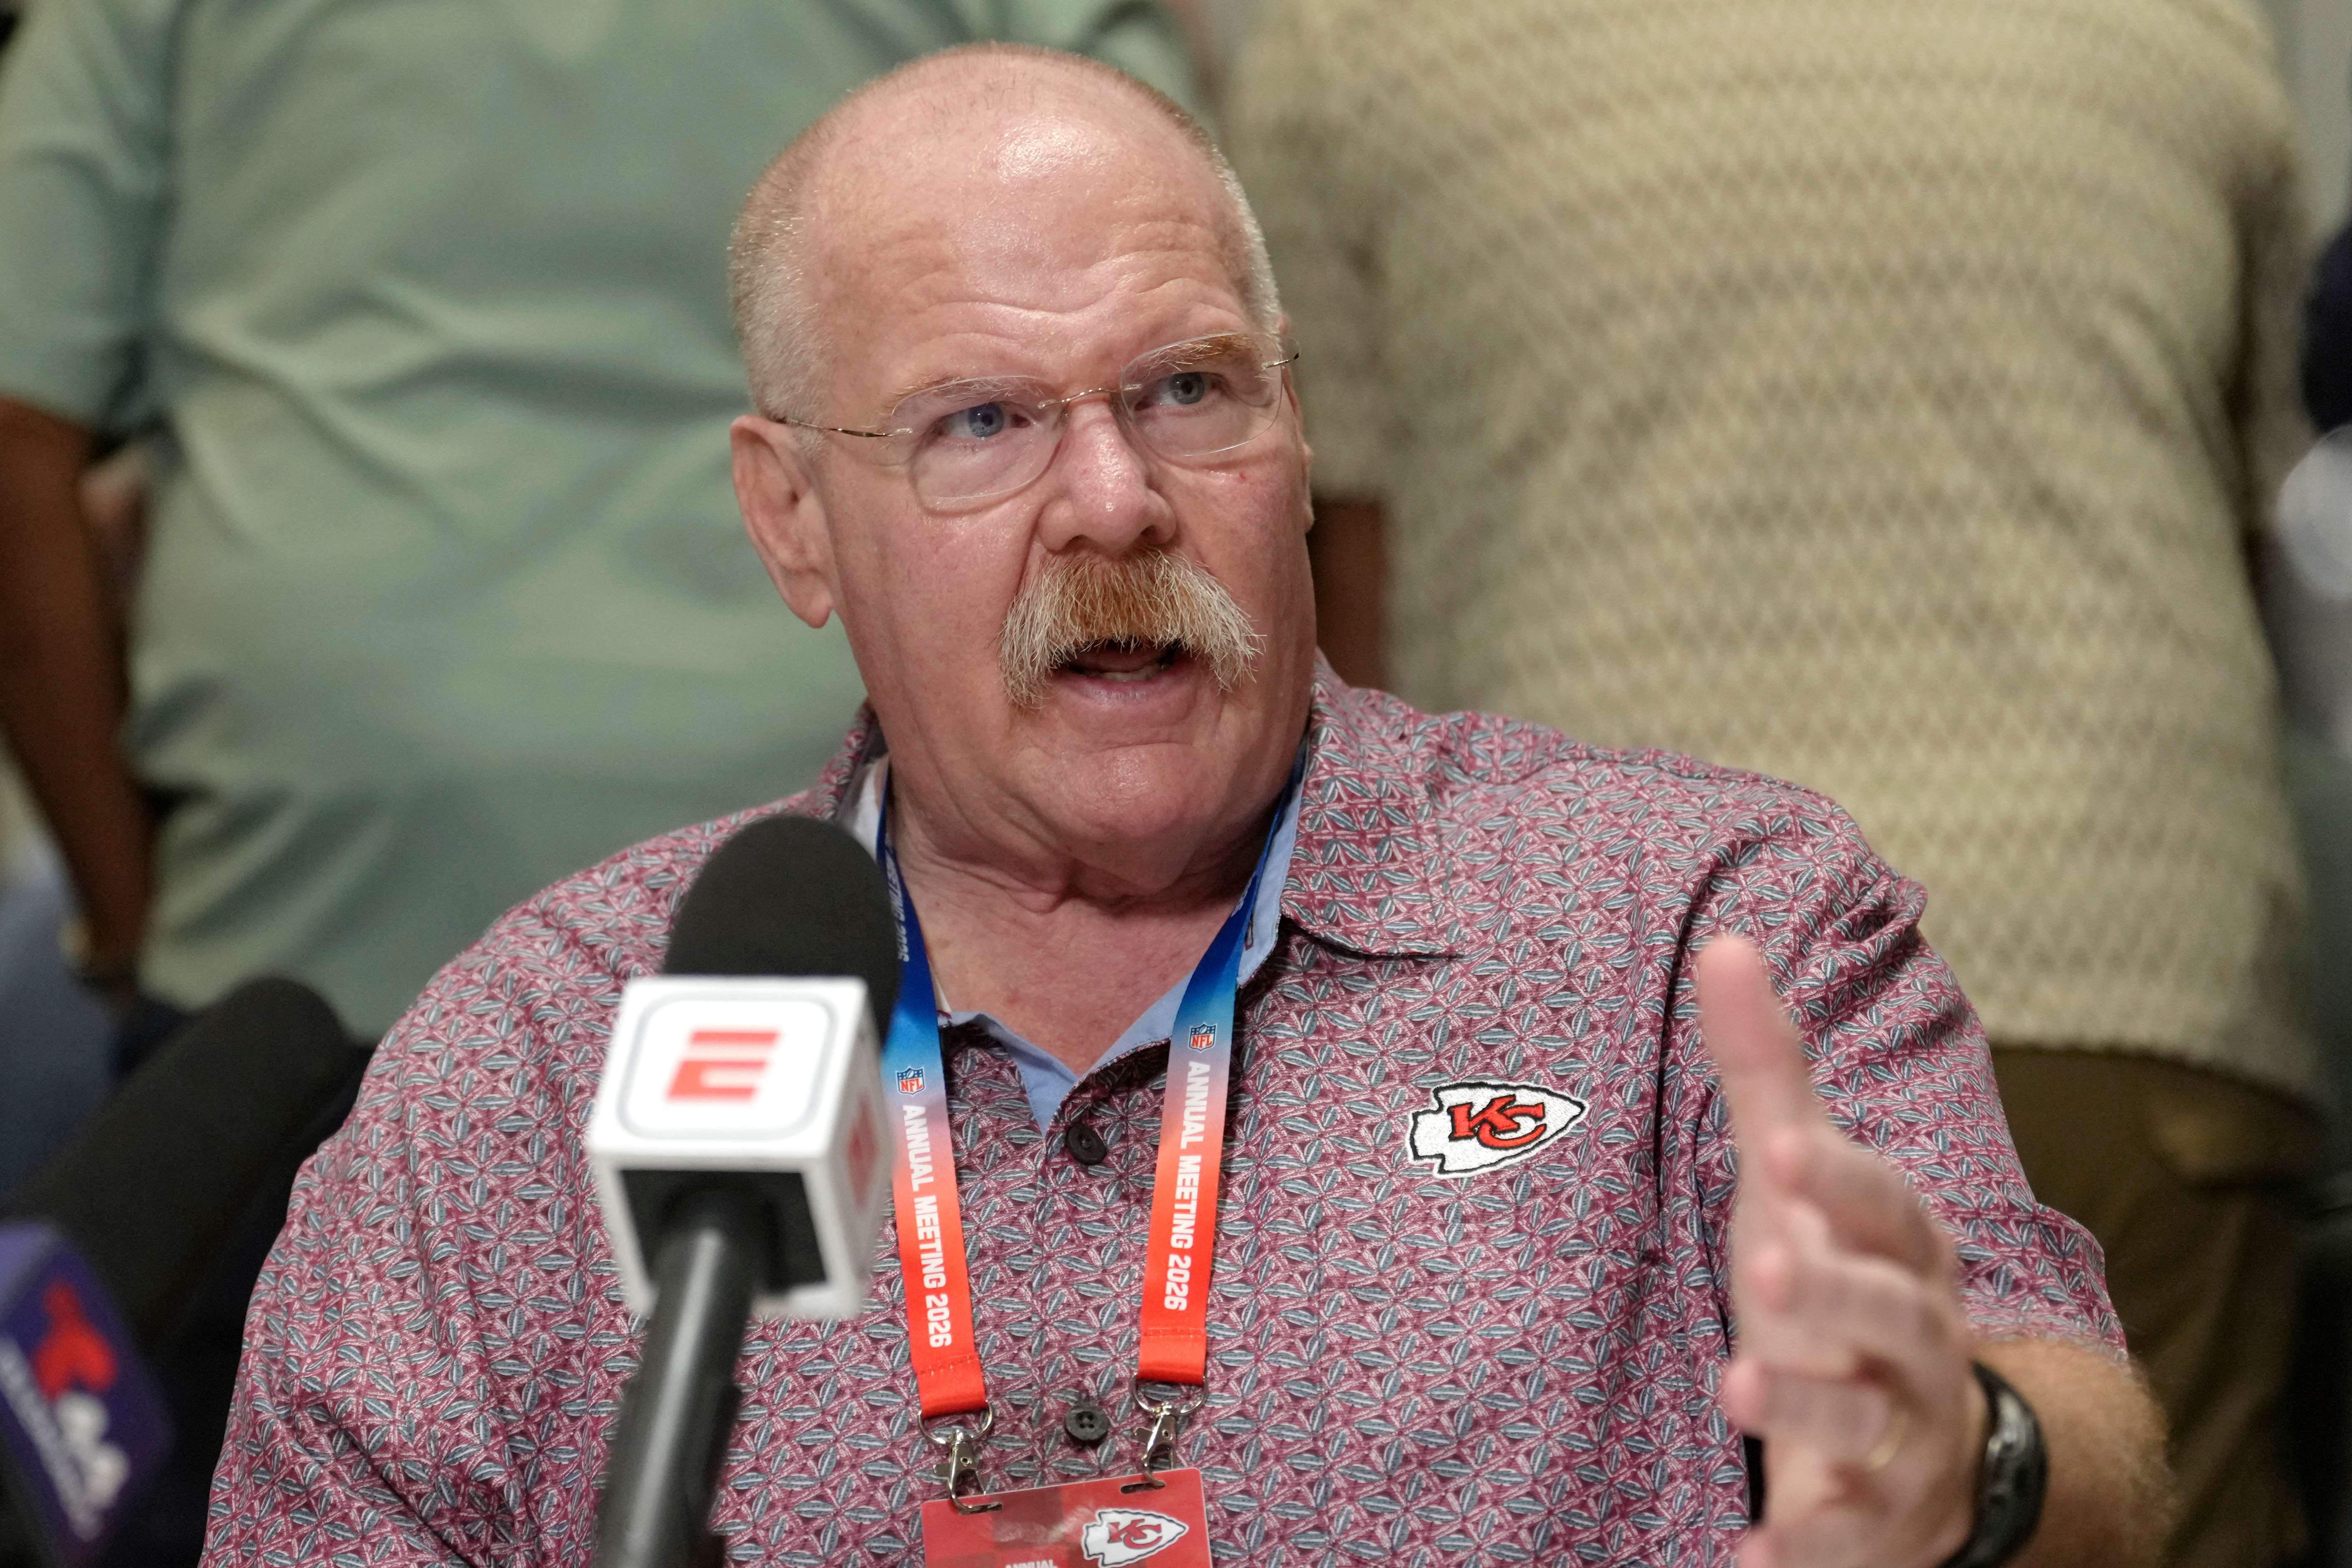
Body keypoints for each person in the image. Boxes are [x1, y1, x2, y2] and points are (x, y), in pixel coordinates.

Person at [205, 47, 2163, 1564]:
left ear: (1297, 427)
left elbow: (2081, 1449)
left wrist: (1966, 1468)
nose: (1115, 501)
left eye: (1188, 393)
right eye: (981, 423)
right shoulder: (536, 1065)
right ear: (791, 520)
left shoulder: (1693, 928)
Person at [1224, 5, 2324, 1563]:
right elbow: (2262, 517)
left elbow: (1333, 629)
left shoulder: (1355, 43)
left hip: (1596, 1005)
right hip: (2122, 943)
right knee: (2108, 1503)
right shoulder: (2183, 22)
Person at [0, 0, 1195, 1054]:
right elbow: (1166, 278)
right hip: (850, 866)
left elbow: (15, 437)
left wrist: (124, 917)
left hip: (331, 875)